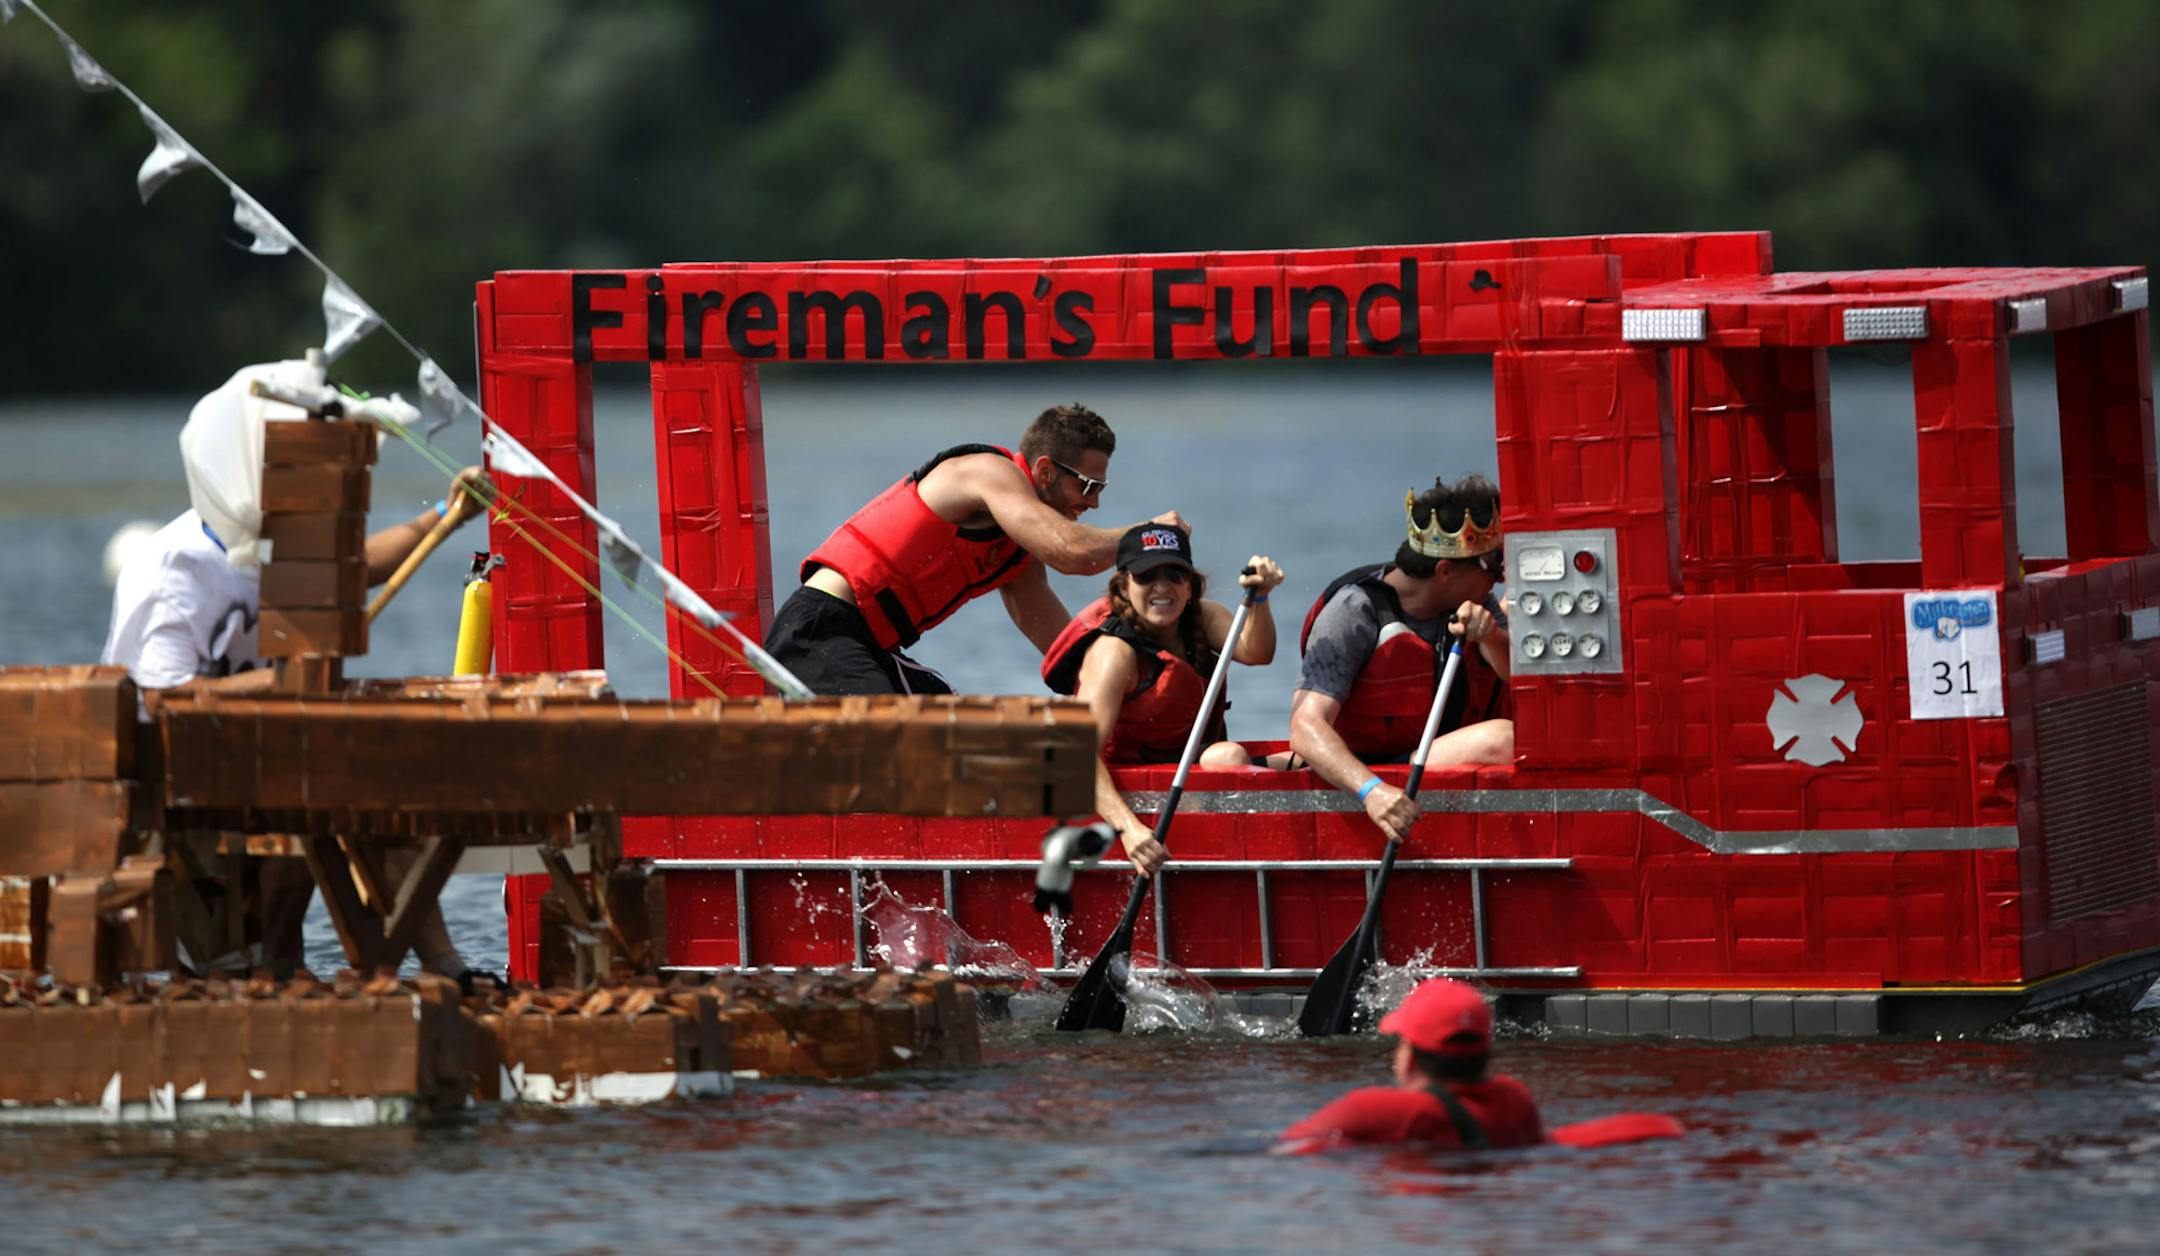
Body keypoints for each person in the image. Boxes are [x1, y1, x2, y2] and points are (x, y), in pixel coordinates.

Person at [100, 358, 489, 985]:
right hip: (173, 773)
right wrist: (281, 689)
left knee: (383, 792)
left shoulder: (273, 548)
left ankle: (447, 967)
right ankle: (279, 968)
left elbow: (354, 566)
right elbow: (164, 699)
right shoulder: (172, 571)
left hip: (261, 753)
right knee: (308, 793)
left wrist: (440, 521)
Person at [767, 403, 1185, 695]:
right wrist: (1149, 534)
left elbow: (1062, 648)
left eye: (1101, 489)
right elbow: (1071, 552)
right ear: (1043, 470)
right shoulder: (986, 473)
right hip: (817, 630)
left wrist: (1129, 680)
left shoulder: (1015, 551)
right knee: (905, 751)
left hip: (868, 647)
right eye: (1088, 486)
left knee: (963, 741)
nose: (1093, 502)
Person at [1041, 525, 1284, 875]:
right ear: (1123, 586)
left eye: (1175, 574)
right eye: (1146, 576)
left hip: (1189, 768)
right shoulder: (1114, 655)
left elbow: (1257, 652)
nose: (1162, 587)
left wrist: (1260, 598)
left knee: (1261, 756)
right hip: (1124, 786)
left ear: (1190, 586)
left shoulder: (1203, 617)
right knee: (1230, 757)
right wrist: (1128, 829)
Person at [1287, 474, 1512, 842]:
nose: (1499, 578)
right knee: (1502, 739)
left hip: (1426, 760)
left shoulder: (1474, 599)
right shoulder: (1354, 610)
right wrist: (1371, 791)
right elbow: (1304, 729)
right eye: (1490, 566)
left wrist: (1492, 636)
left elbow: (1519, 679)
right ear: (1444, 571)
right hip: (1364, 774)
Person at [1277, 977, 1543, 1153]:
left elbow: (1287, 1149)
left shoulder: (1369, 1110)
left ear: (1409, 1059)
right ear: (1486, 1053)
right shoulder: (1516, 1103)